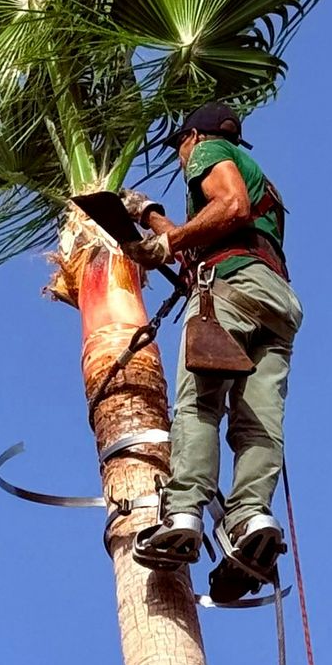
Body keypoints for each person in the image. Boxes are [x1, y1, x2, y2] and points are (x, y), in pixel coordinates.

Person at [130, 102, 302, 587]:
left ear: (191, 137)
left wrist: (168, 243)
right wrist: (152, 218)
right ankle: (250, 518)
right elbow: (219, 228)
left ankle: (183, 511)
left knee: (201, 403)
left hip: (227, 291)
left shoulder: (209, 150)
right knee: (259, 420)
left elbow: (229, 208)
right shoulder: (260, 177)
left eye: (179, 148)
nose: (182, 160)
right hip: (275, 301)